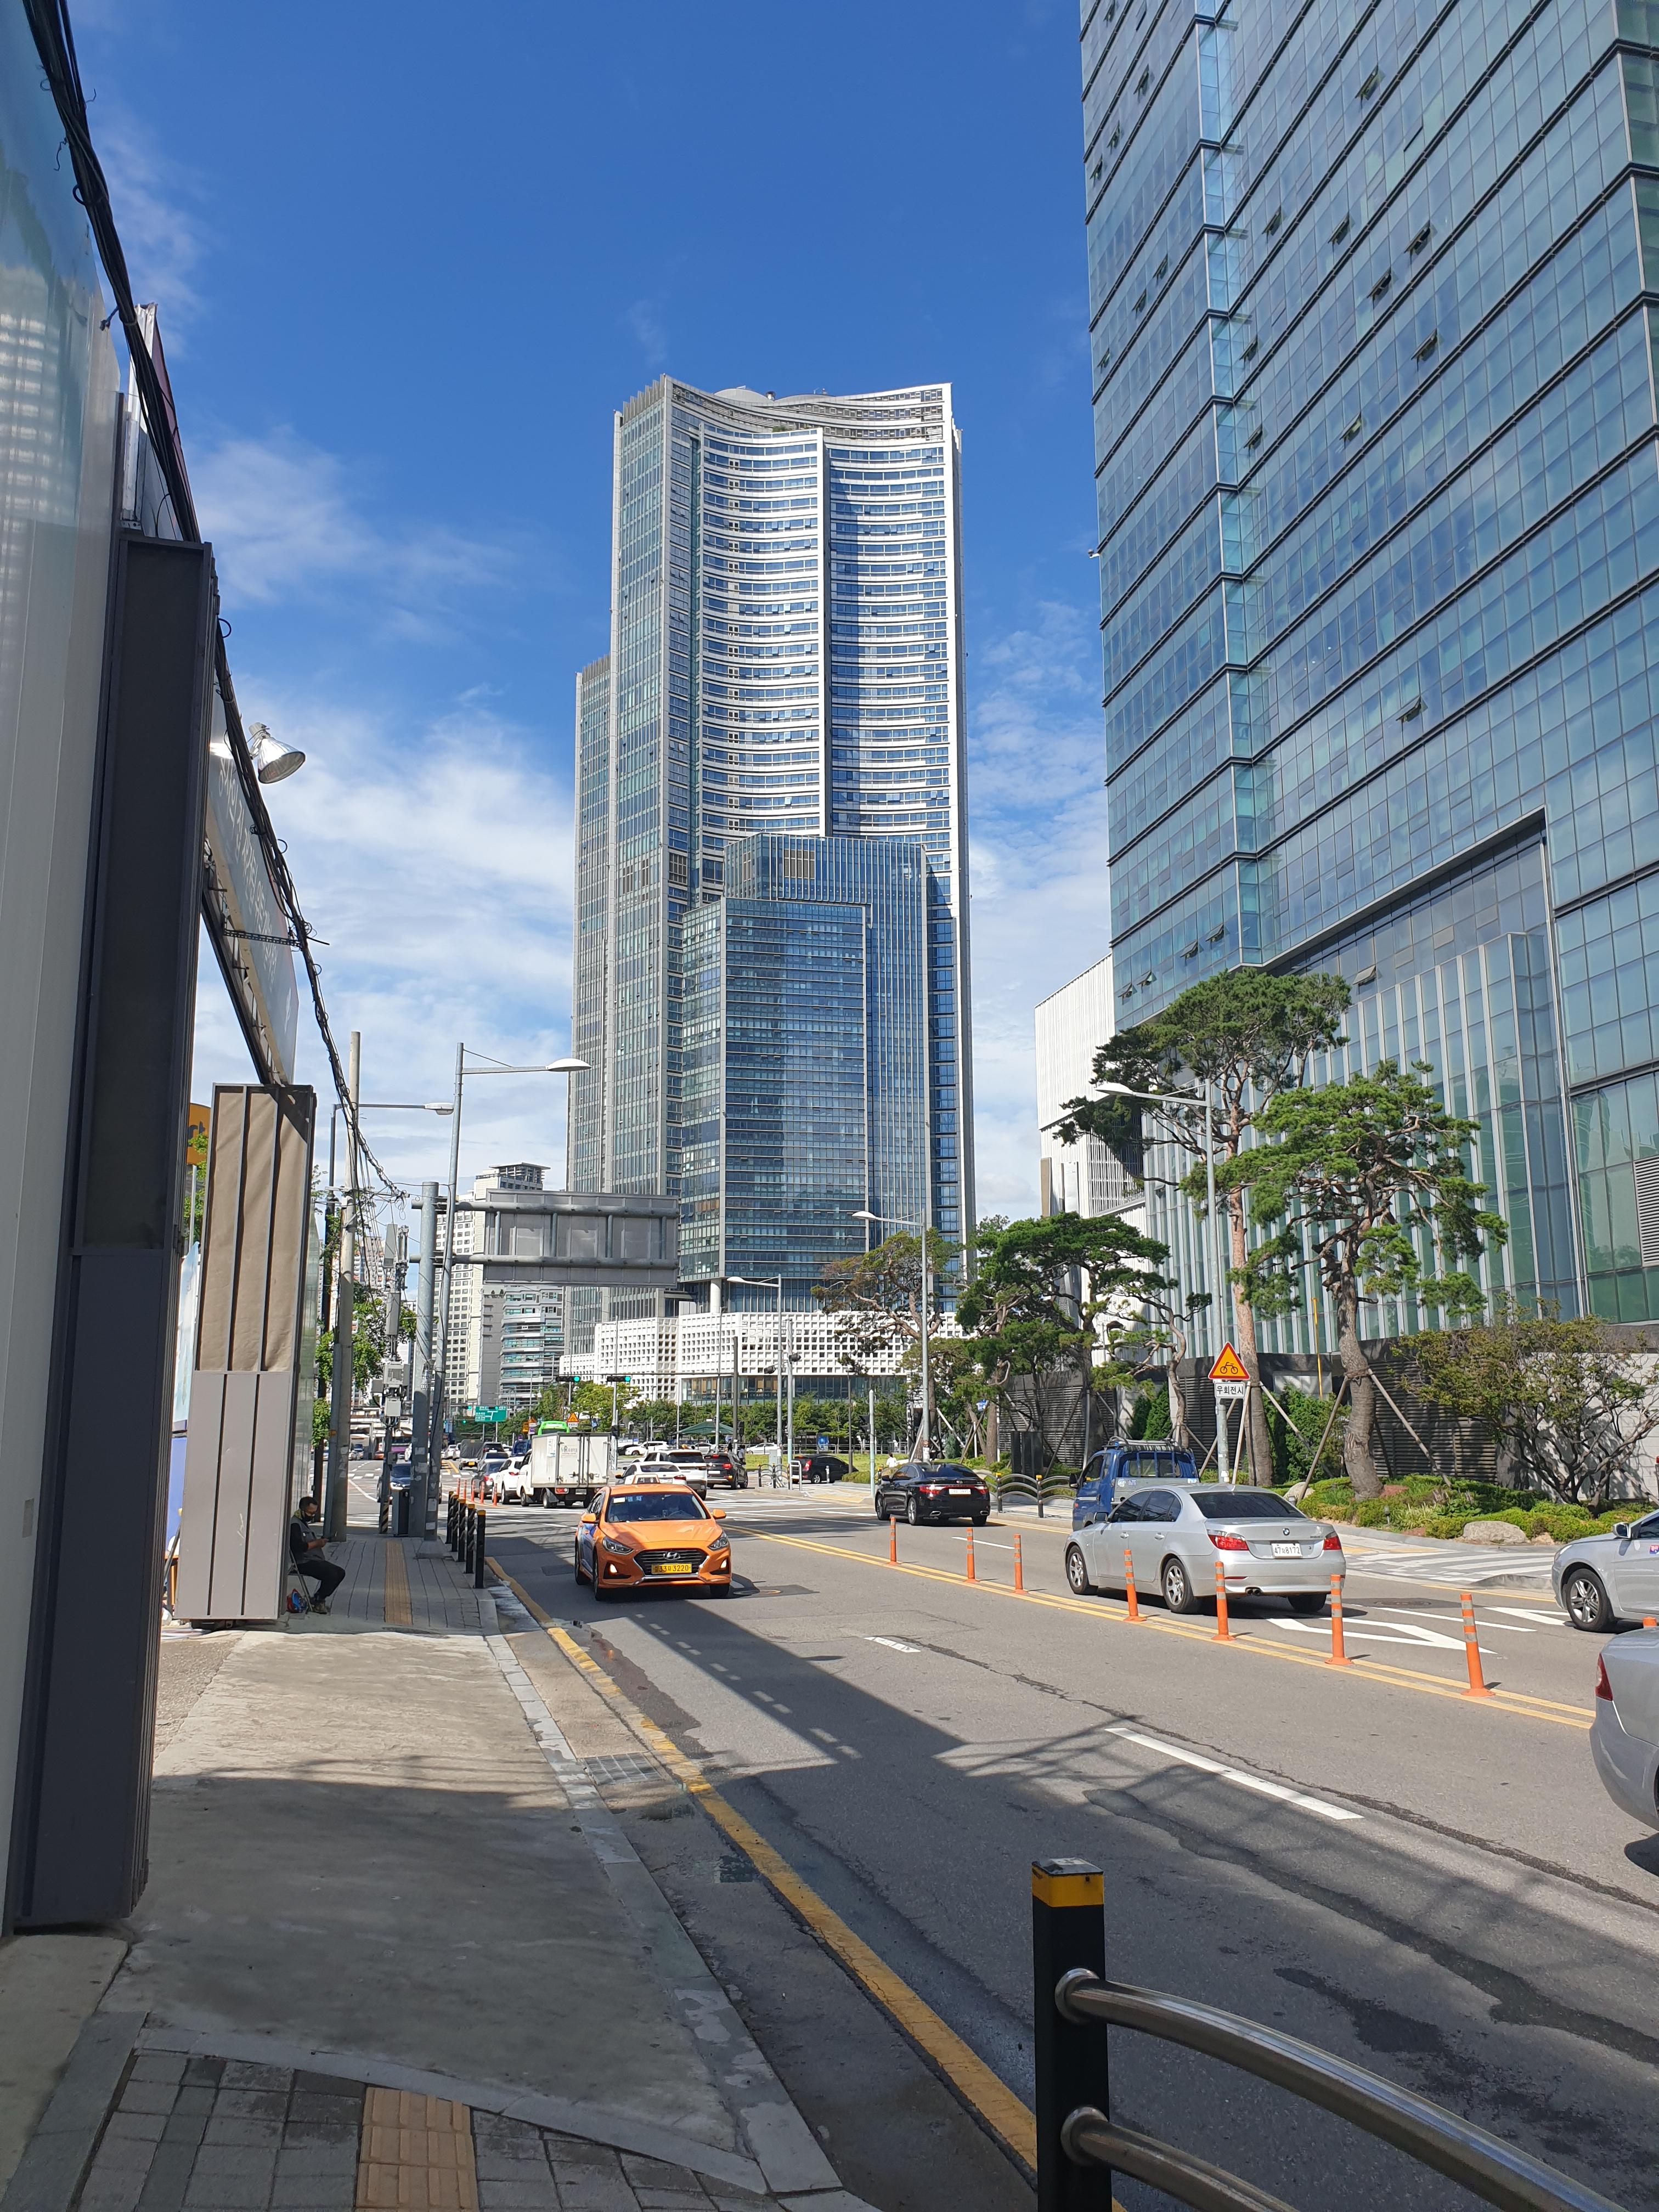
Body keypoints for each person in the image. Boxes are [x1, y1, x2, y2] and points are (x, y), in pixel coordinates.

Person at [289, 1496, 345, 1613]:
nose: (312, 1516)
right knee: (332, 1575)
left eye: (314, 1513)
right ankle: (319, 1601)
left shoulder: (302, 1522)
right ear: (302, 1510)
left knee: (339, 1572)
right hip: (303, 1562)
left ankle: (318, 1598)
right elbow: (298, 1547)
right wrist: (317, 1543)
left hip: (313, 1559)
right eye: (310, 1513)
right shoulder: (295, 1524)